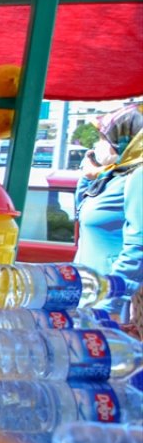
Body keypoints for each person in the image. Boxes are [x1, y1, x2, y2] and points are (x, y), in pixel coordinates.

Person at [74, 102, 142, 299]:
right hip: (89, 292)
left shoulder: (138, 176)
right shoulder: (114, 175)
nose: (97, 145)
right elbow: (82, 212)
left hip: (112, 299)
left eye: (103, 138)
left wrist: (112, 300)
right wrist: (88, 176)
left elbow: (138, 246)